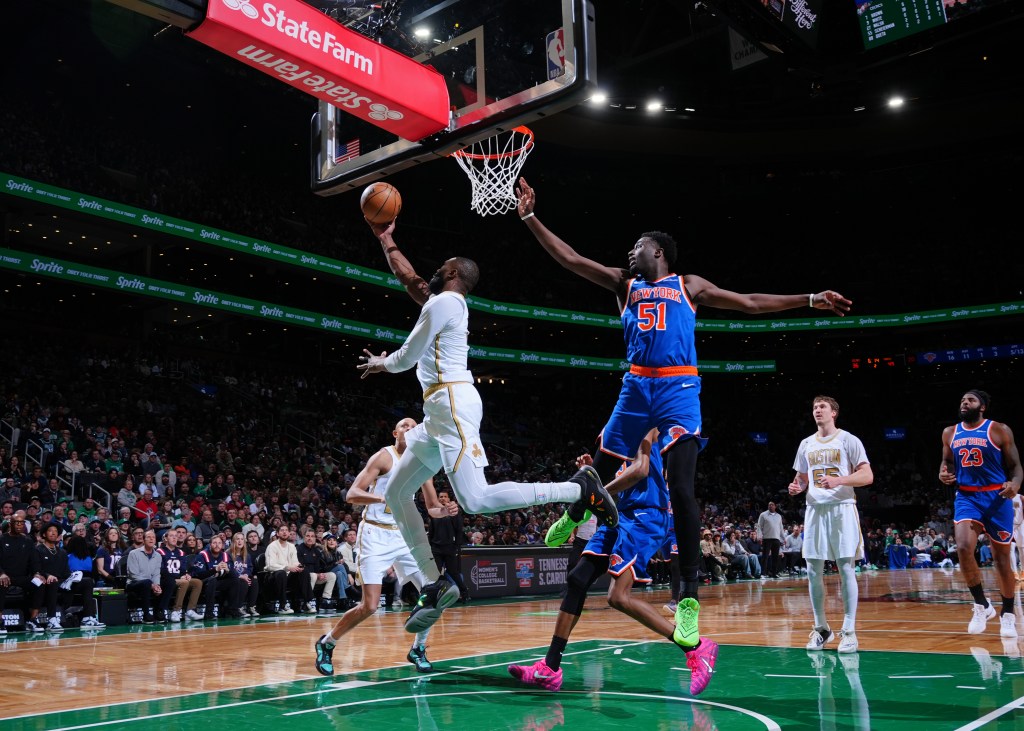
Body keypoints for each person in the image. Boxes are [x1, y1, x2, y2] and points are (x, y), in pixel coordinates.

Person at [515, 178, 851, 666]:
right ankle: (574, 514)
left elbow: (751, 303)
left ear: (659, 252)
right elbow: (571, 260)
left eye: (637, 247)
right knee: (594, 471)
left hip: (678, 388)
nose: (630, 253)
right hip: (635, 386)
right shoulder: (624, 287)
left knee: (683, 488)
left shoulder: (688, 287)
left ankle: (687, 597)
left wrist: (810, 298)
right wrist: (529, 217)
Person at [357, 219, 617, 633]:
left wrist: (380, 362)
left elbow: (405, 358)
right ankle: (435, 583)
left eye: (443, 265)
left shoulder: (446, 304)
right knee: (398, 493)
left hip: (453, 406)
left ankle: (578, 488)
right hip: (435, 413)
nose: (435, 269)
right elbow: (409, 278)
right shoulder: (439, 302)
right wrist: (386, 239)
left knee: (475, 500)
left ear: (455, 273)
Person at [509, 430, 718, 696]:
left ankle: (697, 649)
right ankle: (550, 668)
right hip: (619, 515)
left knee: (617, 597)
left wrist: (595, 494)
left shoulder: (645, 424)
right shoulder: (612, 430)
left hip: (646, 514)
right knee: (577, 579)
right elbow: (612, 474)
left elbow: (641, 470)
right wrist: (591, 474)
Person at [314, 417, 459, 676]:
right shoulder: (383, 457)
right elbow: (352, 494)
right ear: (395, 432)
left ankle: (419, 648)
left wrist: (445, 511)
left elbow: (432, 508)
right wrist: (386, 496)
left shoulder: (422, 464)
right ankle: (327, 644)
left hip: (404, 534)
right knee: (369, 606)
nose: (410, 430)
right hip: (374, 534)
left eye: (415, 427)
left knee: (435, 592)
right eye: (405, 426)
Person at [788, 395, 873, 654]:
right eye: (814, 407)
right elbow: (802, 478)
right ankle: (822, 627)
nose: (817, 410)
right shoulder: (805, 444)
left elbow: (867, 475)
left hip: (842, 508)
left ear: (834, 412)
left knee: (845, 567)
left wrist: (840, 481)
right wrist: (797, 486)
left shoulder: (849, 439)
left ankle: (849, 630)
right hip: (815, 509)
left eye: (822, 407)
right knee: (813, 569)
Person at [939, 389, 1021, 638]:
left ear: (982, 406)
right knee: (963, 547)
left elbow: (1016, 466)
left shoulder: (999, 430)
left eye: (971, 400)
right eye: (962, 399)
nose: (965, 402)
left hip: (997, 497)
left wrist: (1015, 484)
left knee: (1002, 560)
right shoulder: (950, 432)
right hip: (967, 496)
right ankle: (981, 605)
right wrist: (943, 472)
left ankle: (1007, 613)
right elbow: (947, 462)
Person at [0, 516, 44, 634]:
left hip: (23, 577)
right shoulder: (2, 539)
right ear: (11, 524)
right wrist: (2, 573)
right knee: (1, 584)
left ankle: (33, 620)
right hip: (5, 576)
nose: (19, 525)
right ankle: (0, 622)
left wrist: (37, 573)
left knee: (39, 583)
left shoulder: (28, 540)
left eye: (21, 523)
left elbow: (34, 560)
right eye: (17, 523)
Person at [428, 489, 470, 602]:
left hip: (450, 547)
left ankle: (464, 592)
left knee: (453, 572)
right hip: (436, 548)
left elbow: (458, 530)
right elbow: (431, 531)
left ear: (449, 499)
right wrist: (430, 544)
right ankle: (434, 596)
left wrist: (456, 546)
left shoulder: (454, 512)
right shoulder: (434, 512)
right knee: (435, 573)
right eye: (440, 497)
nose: (442, 498)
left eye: (444, 497)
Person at [126, 528, 164, 624]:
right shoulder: (133, 553)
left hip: (149, 583)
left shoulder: (158, 555)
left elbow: (156, 573)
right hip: (133, 583)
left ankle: (158, 611)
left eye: (153, 537)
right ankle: (146, 614)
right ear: (143, 540)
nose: (151, 539)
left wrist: (157, 585)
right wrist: (152, 584)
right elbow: (133, 574)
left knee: (167, 581)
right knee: (147, 582)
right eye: (148, 537)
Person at [264, 524, 304, 614]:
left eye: (286, 530)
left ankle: (306, 602)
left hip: (287, 575)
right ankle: (283, 606)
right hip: (272, 576)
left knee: (303, 572)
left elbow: (295, 561)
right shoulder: (272, 546)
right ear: (277, 534)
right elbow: (270, 565)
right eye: (282, 530)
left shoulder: (292, 546)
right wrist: (286, 567)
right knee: (281, 573)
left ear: (289, 533)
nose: (284, 532)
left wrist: (298, 566)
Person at [757, 502, 785, 579]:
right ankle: (763, 573)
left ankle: (774, 573)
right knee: (765, 557)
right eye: (769, 504)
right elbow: (759, 526)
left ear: (775, 506)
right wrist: (759, 536)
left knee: (775, 557)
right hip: (767, 538)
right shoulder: (763, 515)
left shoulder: (779, 516)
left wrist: (784, 538)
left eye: (772, 504)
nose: (770, 506)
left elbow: (781, 528)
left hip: (776, 539)